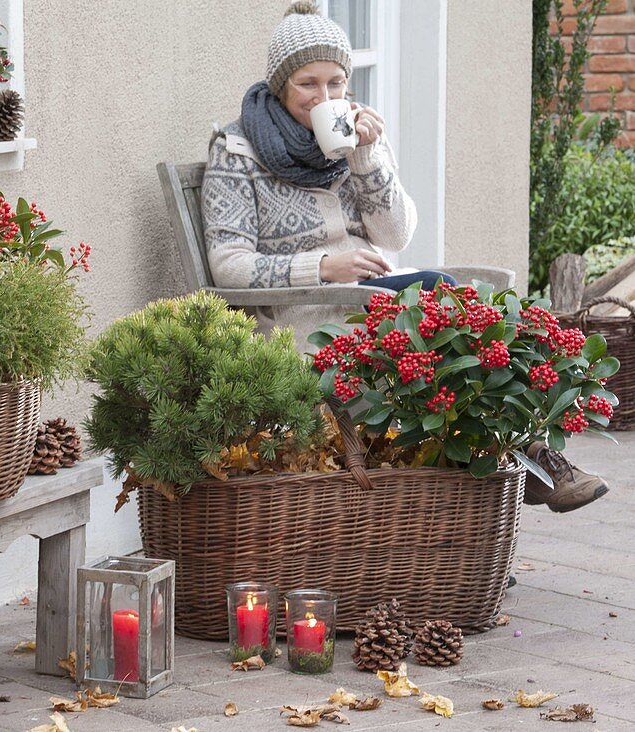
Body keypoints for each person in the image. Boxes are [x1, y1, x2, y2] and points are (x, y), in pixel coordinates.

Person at [201, 0, 606, 513]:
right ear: (280, 82)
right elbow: (229, 264)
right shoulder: (236, 149)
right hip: (300, 311)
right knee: (447, 308)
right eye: (308, 83)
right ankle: (533, 458)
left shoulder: (353, 134)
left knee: (480, 320)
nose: (324, 97)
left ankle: (531, 452)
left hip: (375, 296)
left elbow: (394, 234)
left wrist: (367, 158)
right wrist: (324, 268)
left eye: (336, 84)